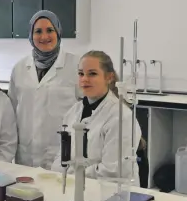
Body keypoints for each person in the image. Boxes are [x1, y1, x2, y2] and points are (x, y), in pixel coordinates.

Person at [51, 50, 142, 185]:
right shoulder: (73, 112)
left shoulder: (121, 117)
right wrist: (60, 171)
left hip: (113, 196)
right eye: (81, 74)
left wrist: (71, 173)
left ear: (109, 77)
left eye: (92, 74)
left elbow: (113, 171)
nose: (84, 79)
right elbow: (62, 156)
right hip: (75, 189)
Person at [8, 10, 81, 169]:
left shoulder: (76, 65)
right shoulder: (19, 68)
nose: (44, 36)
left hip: (62, 150)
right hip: (26, 153)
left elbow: (86, 110)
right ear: (30, 35)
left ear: (58, 32)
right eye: (38, 31)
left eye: (50, 30)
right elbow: (11, 112)